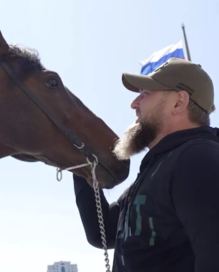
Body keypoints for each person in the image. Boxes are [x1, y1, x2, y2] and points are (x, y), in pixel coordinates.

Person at [73, 57, 219, 272]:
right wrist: (81, 163)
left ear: (179, 102)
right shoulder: (161, 166)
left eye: (145, 93)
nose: (134, 104)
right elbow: (102, 233)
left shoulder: (198, 158)